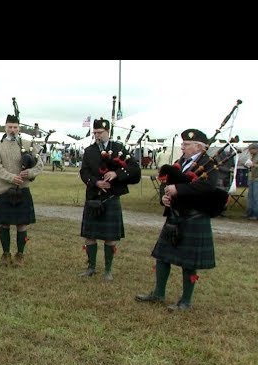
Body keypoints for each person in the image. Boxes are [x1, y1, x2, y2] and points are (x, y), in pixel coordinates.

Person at [136, 128, 220, 311]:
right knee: (162, 256)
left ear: (199, 147)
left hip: (195, 217)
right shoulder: (179, 162)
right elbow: (166, 182)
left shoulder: (209, 164)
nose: (183, 147)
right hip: (175, 215)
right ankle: (158, 293)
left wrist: (179, 190)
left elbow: (208, 186)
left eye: (186, 144)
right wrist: (164, 198)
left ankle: (186, 301)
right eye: (183, 144)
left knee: (189, 262)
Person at [79, 118, 141, 281]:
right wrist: (95, 182)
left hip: (111, 197)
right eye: (95, 133)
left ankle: (108, 270)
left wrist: (117, 174)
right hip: (93, 197)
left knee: (110, 237)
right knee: (90, 235)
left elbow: (134, 169)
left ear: (108, 132)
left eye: (100, 133)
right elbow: (84, 172)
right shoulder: (89, 151)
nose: (97, 136)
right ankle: (91, 267)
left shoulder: (119, 148)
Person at [0, 114, 43, 267]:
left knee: (22, 224)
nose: (12, 130)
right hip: (5, 190)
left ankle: (20, 254)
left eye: (15, 127)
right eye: (10, 127)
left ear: (19, 128)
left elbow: (39, 164)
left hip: (23, 190)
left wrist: (30, 173)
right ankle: (6, 253)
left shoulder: (28, 144)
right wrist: (11, 177)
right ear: (5, 127)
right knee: (4, 224)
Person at [243, 143, 258, 220]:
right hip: (251, 178)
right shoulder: (252, 156)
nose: (249, 151)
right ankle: (249, 212)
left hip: (256, 179)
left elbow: (255, 165)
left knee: (256, 197)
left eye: (250, 149)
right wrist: (245, 164)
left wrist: (253, 165)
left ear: (255, 149)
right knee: (250, 196)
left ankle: (256, 214)